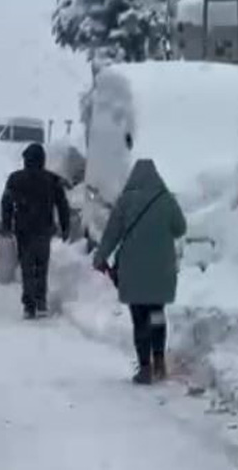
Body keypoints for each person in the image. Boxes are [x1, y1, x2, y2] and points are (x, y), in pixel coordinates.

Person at [91, 159, 186, 385]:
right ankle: (160, 361)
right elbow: (180, 228)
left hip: (133, 271)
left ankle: (145, 368)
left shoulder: (125, 202)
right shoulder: (166, 200)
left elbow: (112, 234)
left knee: (140, 319)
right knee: (156, 314)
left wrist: (100, 257)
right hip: (161, 271)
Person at [1, 143, 71, 319]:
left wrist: (6, 226)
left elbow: (6, 203)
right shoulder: (52, 179)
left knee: (26, 266)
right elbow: (62, 205)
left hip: (23, 229)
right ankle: (41, 301)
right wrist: (65, 227)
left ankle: (29, 305)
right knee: (41, 266)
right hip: (43, 229)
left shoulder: (15, 179)